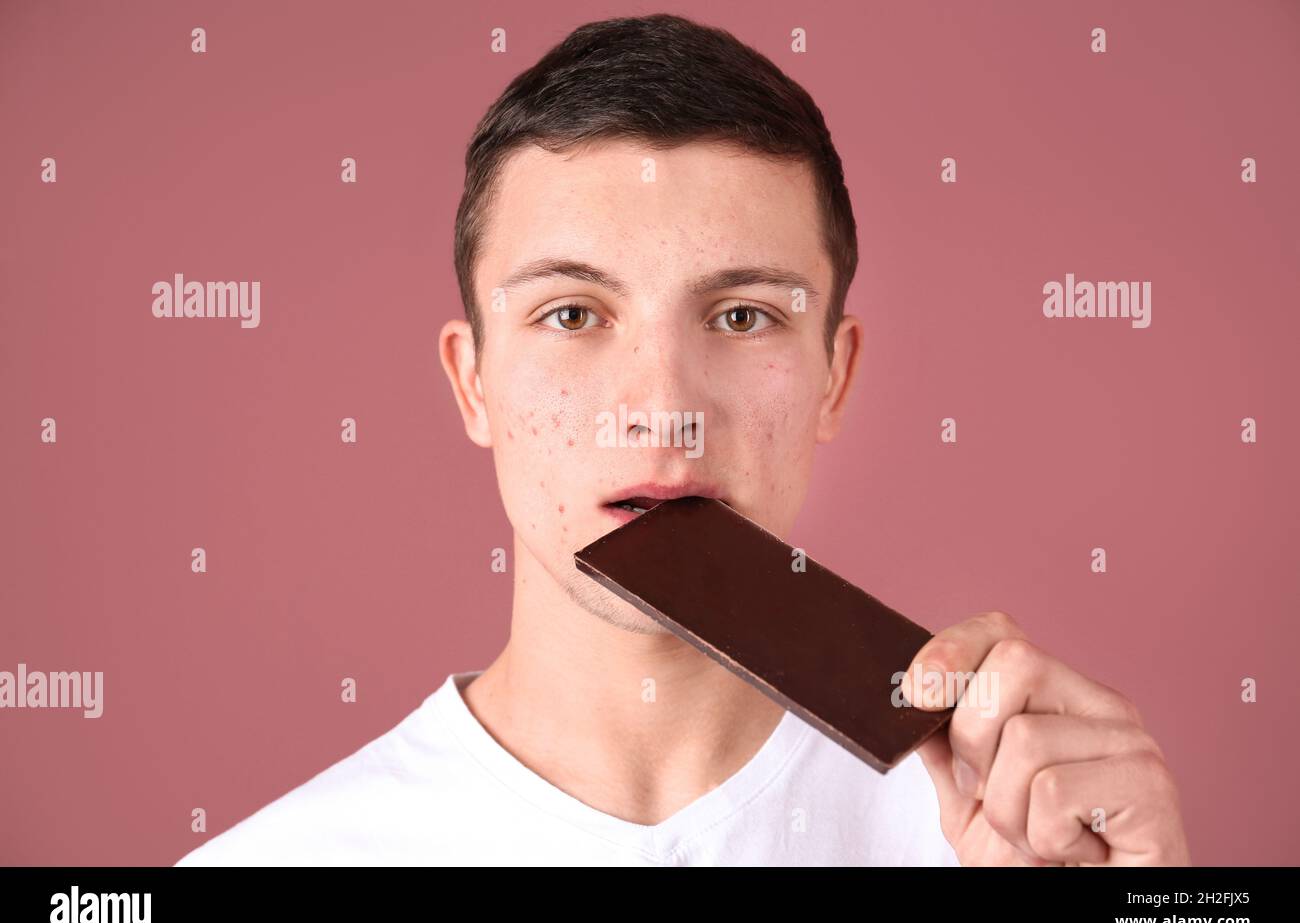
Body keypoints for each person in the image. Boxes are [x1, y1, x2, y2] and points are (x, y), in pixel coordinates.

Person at [176, 13, 1189, 866]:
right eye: (572, 314)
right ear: (471, 379)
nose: (663, 404)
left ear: (833, 375)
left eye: (742, 315)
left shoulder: (1015, 834)